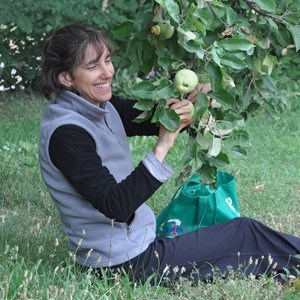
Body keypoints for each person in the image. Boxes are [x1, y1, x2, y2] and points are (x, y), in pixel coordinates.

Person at [39, 23, 300, 285]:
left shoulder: (100, 107)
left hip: (136, 245)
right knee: (243, 233)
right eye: (93, 66)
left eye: (107, 60)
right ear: (66, 77)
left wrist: (191, 102)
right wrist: (162, 146)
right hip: (124, 264)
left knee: (211, 232)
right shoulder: (67, 133)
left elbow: (153, 118)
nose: (107, 72)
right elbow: (116, 206)